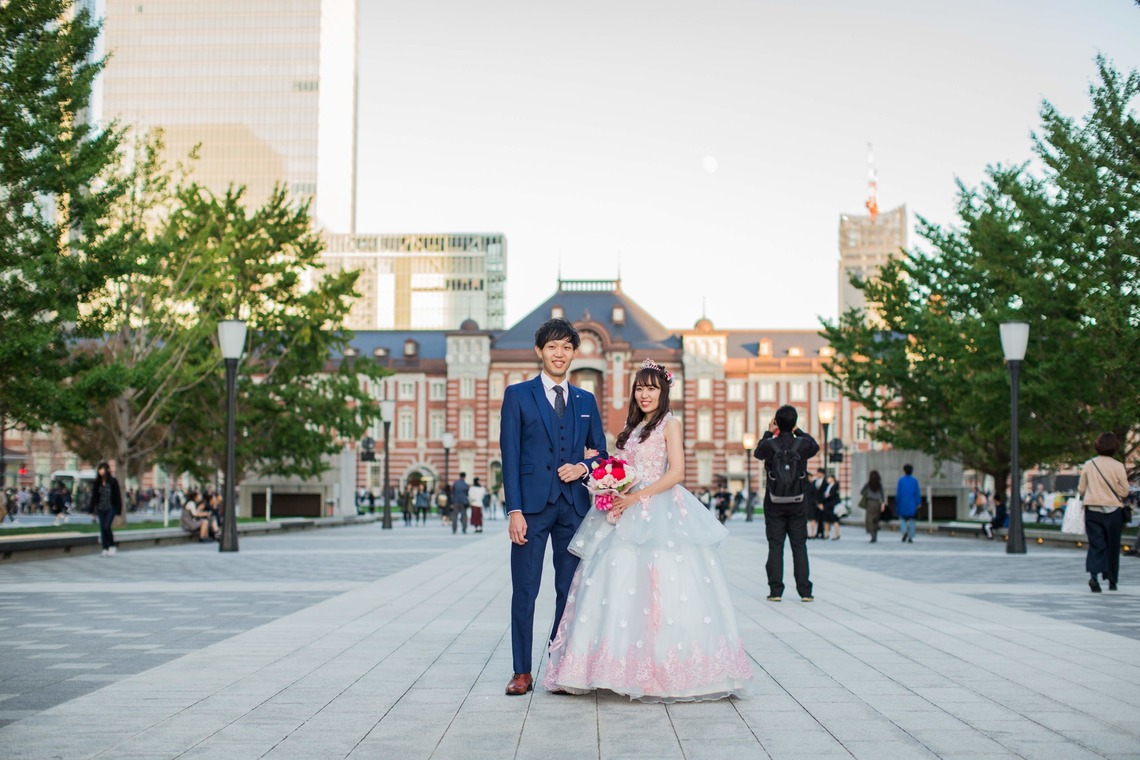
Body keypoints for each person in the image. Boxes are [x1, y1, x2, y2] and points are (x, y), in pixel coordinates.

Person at [544, 358, 753, 701]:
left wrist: (636, 496)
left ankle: (670, 669)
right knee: (617, 581)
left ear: (664, 391)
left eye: (652, 388)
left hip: (659, 506)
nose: (645, 394)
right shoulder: (632, 426)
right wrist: (609, 484)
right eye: (640, 388)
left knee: (664, 583)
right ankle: (605, 666)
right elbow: (621, 465)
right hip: (625, 506)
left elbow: (677, 473)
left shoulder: (670, 424)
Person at [500, 317, 607, 697]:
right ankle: (521, 671)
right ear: (539, 352)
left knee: (569, 589)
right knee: (525, 590)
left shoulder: (585, 400)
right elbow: (509, 457)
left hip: (573, 507)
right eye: (552, 347)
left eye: (566, 347)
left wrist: (583, 466)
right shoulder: (517, 395)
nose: (559, 354)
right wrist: (513, 510)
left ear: (574, 354)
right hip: (530, 508)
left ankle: (557, 665)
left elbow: (603, 454)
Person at [754, 404, 820, 602]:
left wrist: (768, 431)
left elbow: (758, 452)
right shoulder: (802, 444)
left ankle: (776, 591)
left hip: (774, 503)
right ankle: (805, 591)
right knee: (799, 546)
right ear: (794, 423)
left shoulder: (770, 445)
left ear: (776, 422)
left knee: (775, 546)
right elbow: (815, 445)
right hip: (798, 502)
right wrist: (796, 430)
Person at [1079, 432, 1130, 592]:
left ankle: (1094, 576)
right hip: (1113, 510)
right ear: (1115, 447)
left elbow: (1081, 489)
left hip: (1092, 509)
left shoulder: (1089, 465)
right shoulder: (1118, 466)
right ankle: (1112, 580)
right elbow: (1124, 491)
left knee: (1096, 544)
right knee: (1113, 545)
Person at [90, 462, 122, 558]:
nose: (100, 471)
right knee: (102, 529)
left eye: (102, 469)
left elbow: (117, 496)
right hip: (101, 508)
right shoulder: (97, 482)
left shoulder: (113, 481)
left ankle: (112, 545)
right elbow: (94, 497)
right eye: (99, 469)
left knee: (107, 526)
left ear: (107, 470)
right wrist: (92, 511)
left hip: (110, 507)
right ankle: (105, 548)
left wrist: (118, 509)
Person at [895, 464, 921, 544]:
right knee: (912, 520)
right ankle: (910, 536)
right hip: (912, 503)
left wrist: (897, 502)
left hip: (903, 502)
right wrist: (918, 502)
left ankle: (904, 531)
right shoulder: (915, 481)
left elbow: (898, 493)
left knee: (903, 519)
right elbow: (917, 492)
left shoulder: (900, 480)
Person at [861, 470, 886, 543]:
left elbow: (862, 492)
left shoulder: (868, 484)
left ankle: (872, 535)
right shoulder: (879, 485)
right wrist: (883, 504)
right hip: (877, 503)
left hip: (870, 503)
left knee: (870, 519)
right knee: (876, 519)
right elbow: (882, 495)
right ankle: (875, 533)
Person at [819, 474, 841, 540]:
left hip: (832, 505)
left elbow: (833, 495)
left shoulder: (835, 486)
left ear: (832, 478)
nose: (827, 480)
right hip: (827, 505)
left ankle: (836, 535)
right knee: (826, 520)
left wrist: (827, 496)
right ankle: (826, 534)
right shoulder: (828, 486)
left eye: (829, 478)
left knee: (835, 520)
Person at [807, 468, 825, 539]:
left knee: (819, 519)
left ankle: (820, 533)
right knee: (812, 519)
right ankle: (813, 533)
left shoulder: (826, 481)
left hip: (820, 503)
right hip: (813, 504)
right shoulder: (813, 482)